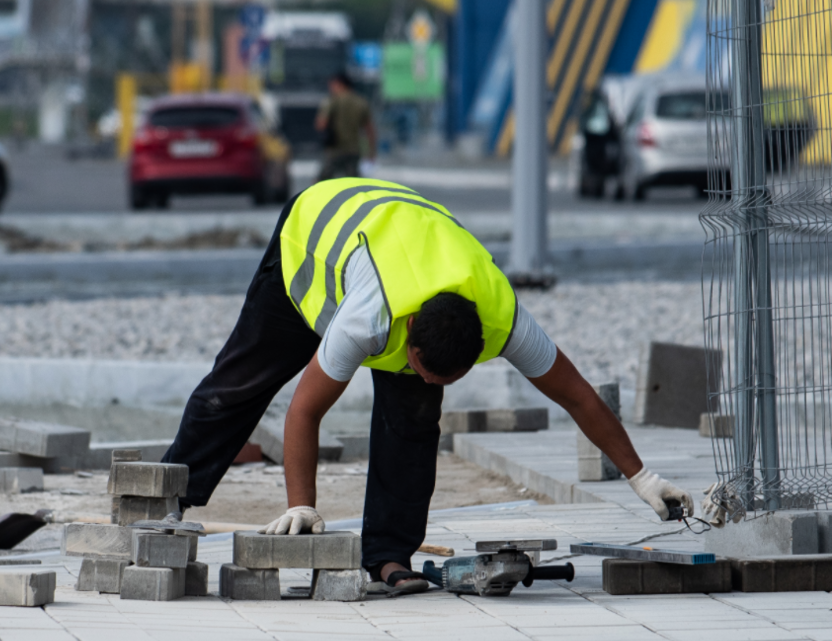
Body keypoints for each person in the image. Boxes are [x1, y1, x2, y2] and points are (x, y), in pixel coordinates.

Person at [160, 177, 694, 595]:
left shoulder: (501, 316)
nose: (421, 378)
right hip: (317, 234)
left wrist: (643, 478)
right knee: (243, 381)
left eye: (442, 378)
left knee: (415, 417)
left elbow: (575, 393)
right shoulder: (368, 316)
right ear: (411, 331)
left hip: (399, 230)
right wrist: (303, 505)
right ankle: (168, 500)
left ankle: (389, 556)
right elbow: (304, 410)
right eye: (419, 366)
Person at [315, 72, 375, 181]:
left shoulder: (332, 101)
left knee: (321, 183)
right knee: (353, 184)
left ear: (340, 84)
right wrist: (371, 152)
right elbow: (369, 130)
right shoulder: (361, 102)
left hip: (334, 149)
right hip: (354, 149)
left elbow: (321, 124)